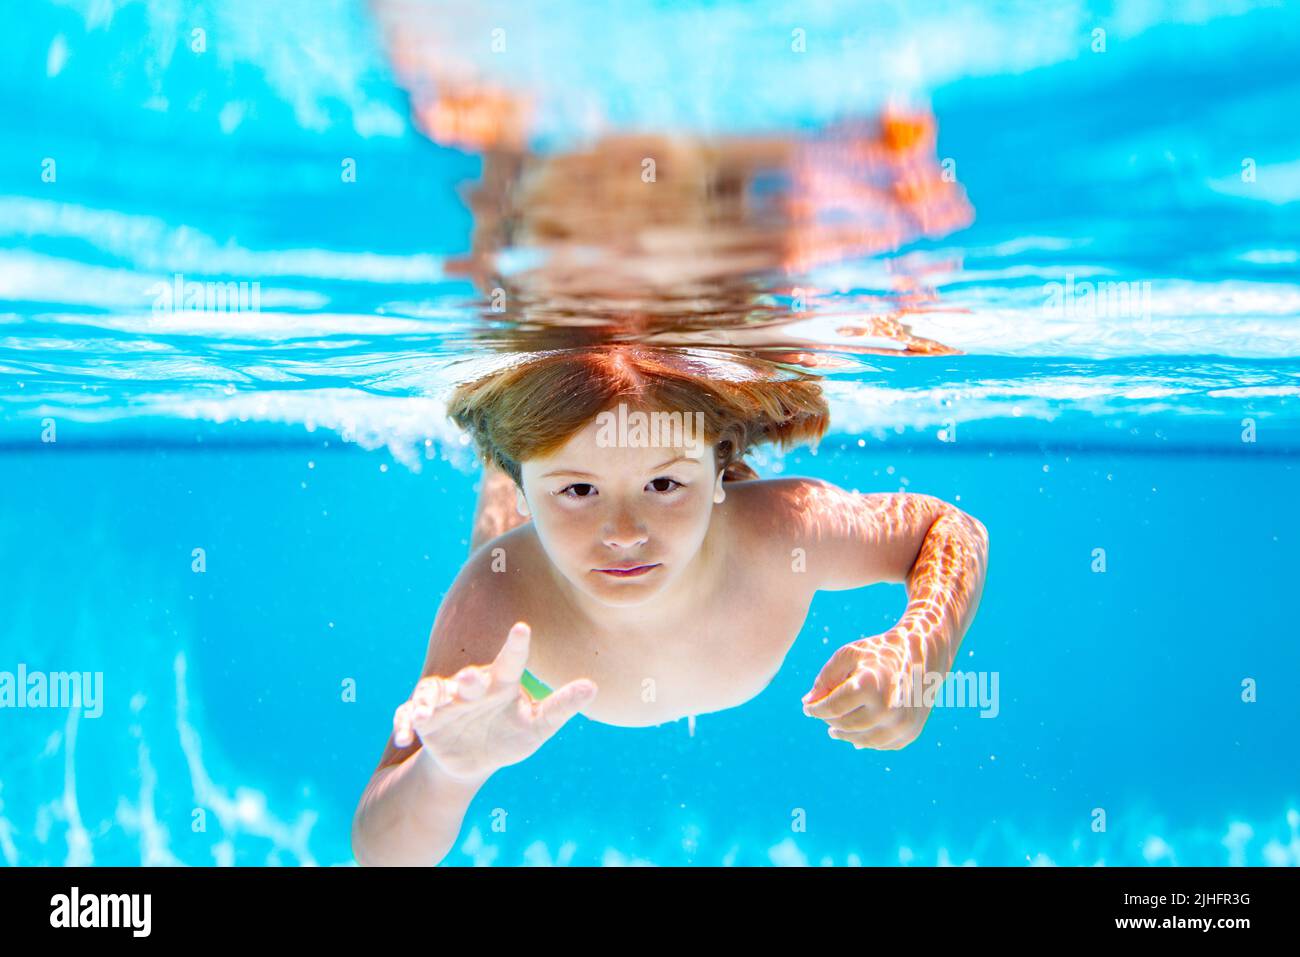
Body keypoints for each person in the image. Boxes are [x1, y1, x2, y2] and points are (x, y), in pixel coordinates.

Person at [351, 345, 989, 865]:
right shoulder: (493, 593)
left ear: (720, 469)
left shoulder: (783, 530)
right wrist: (449, 773)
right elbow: (382, 851)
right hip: (531, 569)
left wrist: (920, 650)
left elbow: (950, 528)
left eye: (663, 483)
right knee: (494, 545)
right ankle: (520, 480)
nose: (624, 532)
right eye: (578, 488)